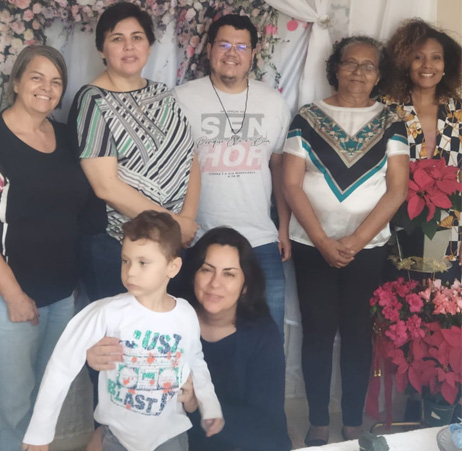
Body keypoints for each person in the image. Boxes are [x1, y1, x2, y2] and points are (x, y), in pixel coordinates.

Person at [282, 36, 409, 446]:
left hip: (367, 250)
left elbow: (397, 189)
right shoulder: (307, 117)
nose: (358, 72)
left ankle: (352, 423)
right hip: (311, 246)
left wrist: (355, 240)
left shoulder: (391, 122)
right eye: (350, 63)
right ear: (335, 67)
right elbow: (291, 183)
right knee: (318, 333)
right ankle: (319, 422)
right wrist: (322, 240)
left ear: (378, 75)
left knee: (357, 334)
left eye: (368, 66)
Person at [22, 211, 223, 451]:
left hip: (169, 437)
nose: (131, 272)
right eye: (126, 260)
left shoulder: (186, 314)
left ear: (173, 266)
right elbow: (62, 364)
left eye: (143, 263)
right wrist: (40, 433)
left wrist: (209, 405)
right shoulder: (107, 312)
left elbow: (196, 361)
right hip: (117, 439)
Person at [87, 227, 291, 451]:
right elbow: (119, 385)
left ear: (245, 286)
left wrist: (198, 405)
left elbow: (267, 430)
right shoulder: (164, 315)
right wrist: (95, 357)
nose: (215, 283)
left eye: (229, 274)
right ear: (193, 274)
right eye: (207, 270)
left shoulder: (262, 335)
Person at [68, 1, 200, 302]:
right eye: (117, 38)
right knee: (121, 327)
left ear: (149, 47)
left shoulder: (163, 94)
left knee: (164, 324)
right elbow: (106, 187)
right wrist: (174, 224)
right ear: (101, 49)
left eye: (137, 37)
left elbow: (190, 159)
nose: (129, 46)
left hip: (170, 245)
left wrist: (186, 221)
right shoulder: (92, 100)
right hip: (117, 248)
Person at [173, 14, 291, 337]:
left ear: (253, 54)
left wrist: (283, 226)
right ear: (209, 49)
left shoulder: (274, 103)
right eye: (224, 44)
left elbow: (279, 167)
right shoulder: (181, 98)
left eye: (241, 47)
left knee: (269, 333)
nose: (231, 53)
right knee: (196, 335)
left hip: (260, 239)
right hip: (199, 238)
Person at [0, 45, 90, 451]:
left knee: (48, 398)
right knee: (12, 405)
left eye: (56, 82)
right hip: (12, 295)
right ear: (17, 82)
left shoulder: (67, 137)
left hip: (63, 294)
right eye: (36, 77)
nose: (46, 88)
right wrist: (13, 295)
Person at [382, 19, 462, 283]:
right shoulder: (385, 108)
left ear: (446, 64)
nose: (428, 65)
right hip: (394, 226)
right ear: (405, 62)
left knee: (444, 304)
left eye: (436, 58)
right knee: (396, 303)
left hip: (452, 232)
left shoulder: (458, 110)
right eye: (418, 57)